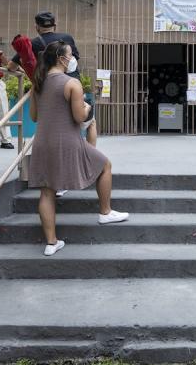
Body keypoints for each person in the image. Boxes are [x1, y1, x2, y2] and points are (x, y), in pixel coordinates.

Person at [26, 41, 128, 256]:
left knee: (47, 191)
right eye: (71, 55)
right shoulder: (72, 83)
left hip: (42, 142)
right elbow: (79, 117)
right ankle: (105, 212)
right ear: (62, 59)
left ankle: (51, 243)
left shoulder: (37, 83)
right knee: (105, 165)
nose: (73, 59)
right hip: (68, 142)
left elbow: (34, 117)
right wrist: (87, 107)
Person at [9, 11, 98, 147]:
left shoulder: (32, 44)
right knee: (89, 122)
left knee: (53, 125)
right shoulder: (66, 39)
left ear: (36, 27)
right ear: (54, 25)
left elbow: (11, 66)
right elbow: (75, 62)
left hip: (47, 90)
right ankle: (90, 158)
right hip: (71, 88)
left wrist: (24, 70)